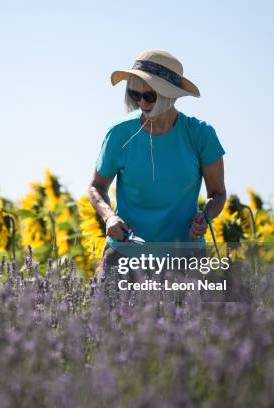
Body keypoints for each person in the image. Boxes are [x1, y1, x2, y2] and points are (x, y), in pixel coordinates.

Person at [88, 49, 227, 303]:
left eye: (149, 95)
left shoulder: (200, 135)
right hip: (124, 257)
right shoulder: (119, 134)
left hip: (184, 259)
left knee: (187, 339)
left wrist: (205, 215)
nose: (141, 102)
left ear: (169, 95)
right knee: (109, 336)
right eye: (134, 94)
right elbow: (96, 187)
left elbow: (217, 194)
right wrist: (109, 217)